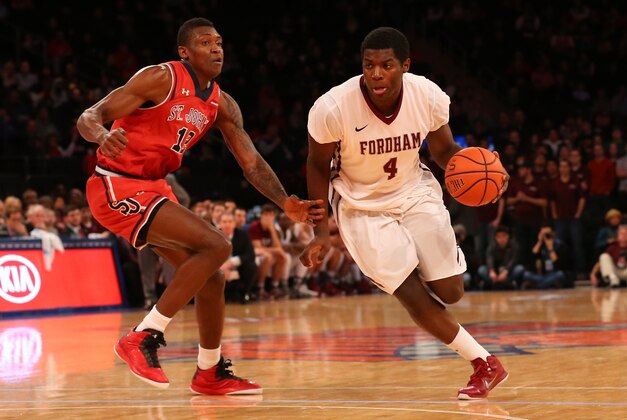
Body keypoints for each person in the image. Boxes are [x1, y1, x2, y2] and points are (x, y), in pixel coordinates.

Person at [77, 18, 324, 396]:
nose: (216, 49)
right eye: (206, 42)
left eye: (220, 42)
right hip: (116, 183)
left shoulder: (220, 103)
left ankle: (209, 372)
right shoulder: (161, 78)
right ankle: (144, 335)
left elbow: (252, 162)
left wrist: (285, 202)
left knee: (213, 279)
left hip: (156, 188)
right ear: (185, 52)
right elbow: (89, 116)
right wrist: (104, 134)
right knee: (217, 245)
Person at [300, 27, 509, 400]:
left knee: (451, 290)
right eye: (369, 65)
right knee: (410, 292)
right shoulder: (332, 107)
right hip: (361, 206)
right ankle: (484, 362)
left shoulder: (426, 95)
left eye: (386, 65)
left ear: (405, 66)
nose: (376, 73)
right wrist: (320, 232)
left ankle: (427, 290)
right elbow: (317, 167)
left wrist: (485, 170)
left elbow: (444, 152)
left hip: (414, 191)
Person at [521, 224, 570, 289]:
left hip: (555, 274)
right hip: (544, 276)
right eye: (543, 234)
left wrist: (551, 249)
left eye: (548, 234)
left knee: (560, 274)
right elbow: (531, 261)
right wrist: (539, 242)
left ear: (553, 234)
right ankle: (547, 284)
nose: (546, 236)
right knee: (526, 274)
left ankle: (538, 287)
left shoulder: (560, 245)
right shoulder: (541, 246)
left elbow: (560, 266)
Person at [477, 225, 525, 290]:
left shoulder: (514, 246)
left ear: (508, 236)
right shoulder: (492, 246)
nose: (501, 239)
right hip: (495, 274)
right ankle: (500, 283)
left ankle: (503, 283)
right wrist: (491, 270)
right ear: (496, 237)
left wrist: (506, 271)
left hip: (508, 273)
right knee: (481, 269)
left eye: (504, 236)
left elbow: (513, 260)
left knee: (519, 269)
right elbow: (489, 259)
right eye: (499, 236)